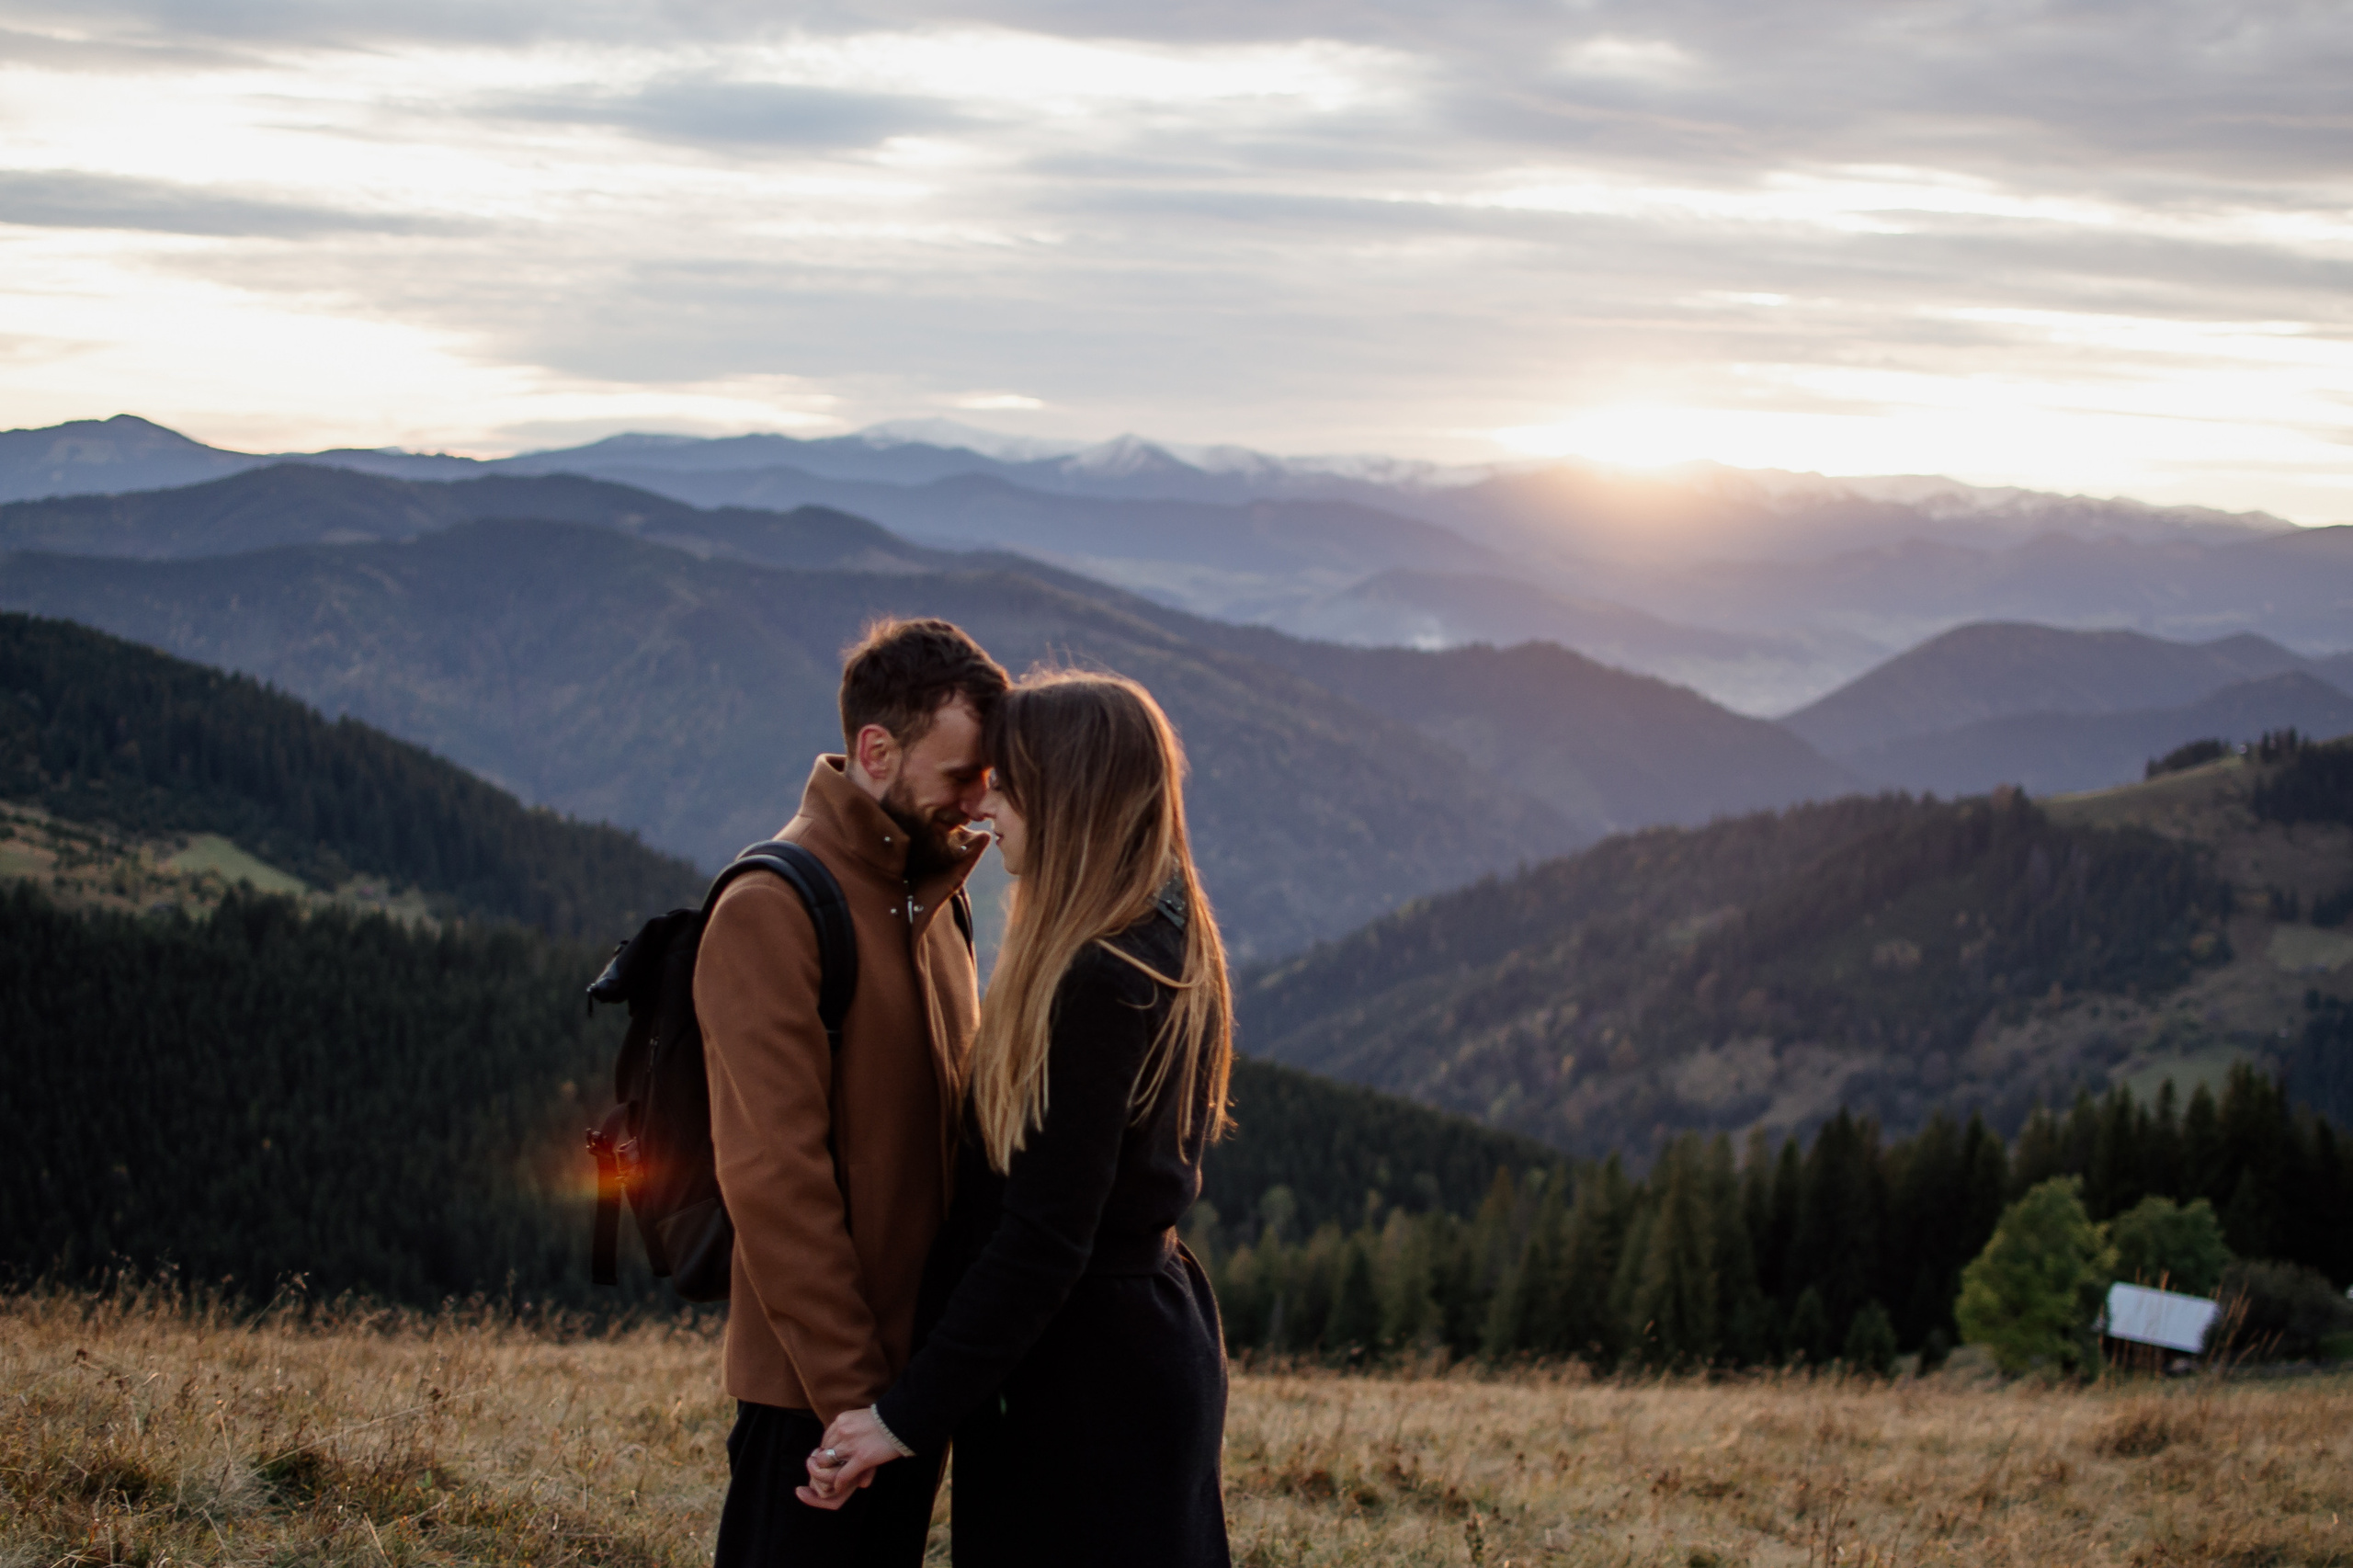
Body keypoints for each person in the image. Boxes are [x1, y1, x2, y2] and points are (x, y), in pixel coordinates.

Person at [799, 670, 1235, 1568]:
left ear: (1065, 793)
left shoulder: (1100, 980)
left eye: (1006, 778)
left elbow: (1041, 1237)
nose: (982, 797)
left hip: (1086, 1383)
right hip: (1134, 1345)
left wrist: (899, 1416)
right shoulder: (1158, 929)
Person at [696, 617, 1008, 1568]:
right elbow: (774, 1181)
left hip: (907, 1393)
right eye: (960, 773)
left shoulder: (934, 894)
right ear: (876, 750)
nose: (979, 797)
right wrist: (853, 1397)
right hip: (817, 1399)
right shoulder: (771, 909)